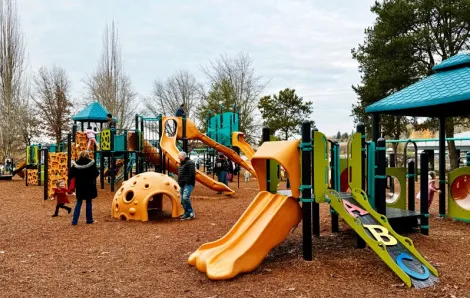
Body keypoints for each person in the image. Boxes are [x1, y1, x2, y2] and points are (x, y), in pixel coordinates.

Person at [69, 150, 100, 225]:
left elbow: (70, 175)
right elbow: (96, 173)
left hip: (80, 185)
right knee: (88, 202)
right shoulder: (91, 163)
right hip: (89, 185)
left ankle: (74, 221)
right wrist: (91, 178)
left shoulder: (76, 163)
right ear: (87, 155)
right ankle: (89, 220)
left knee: (79, 202)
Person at [177, 151, 196, 220]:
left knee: (185, 197)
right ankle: (187, 213)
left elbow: (192, 173)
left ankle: (191, 212)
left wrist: (187, 181)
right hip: (182, 184)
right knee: (182, 199)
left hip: (188, 184)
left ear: (183, 156)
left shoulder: (190, 163)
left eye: (179, 156)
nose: (178, 157)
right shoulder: (181, 164)